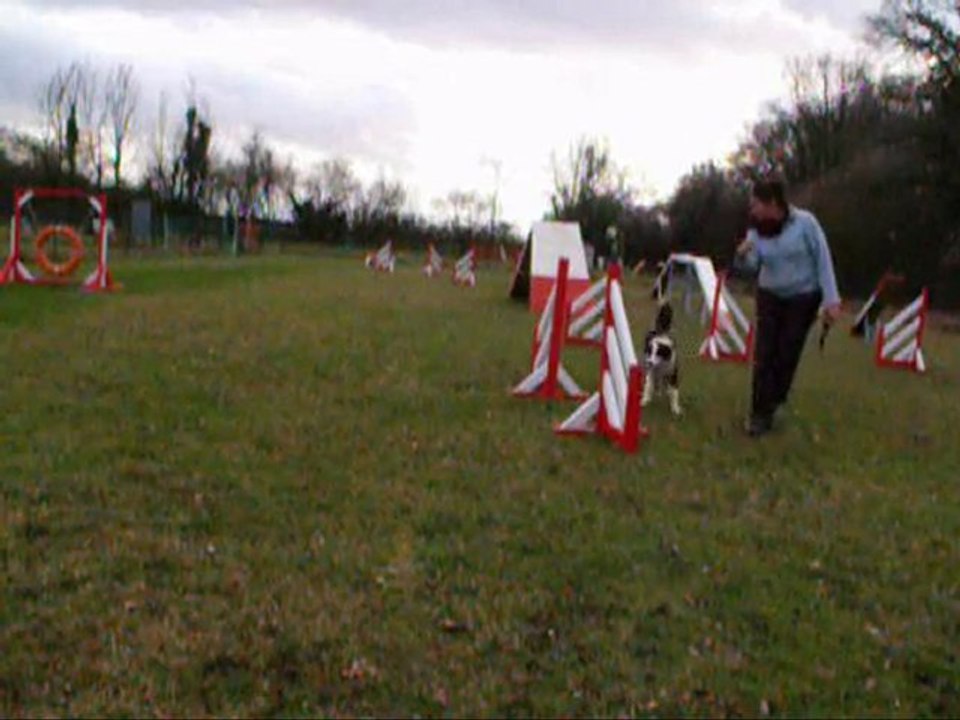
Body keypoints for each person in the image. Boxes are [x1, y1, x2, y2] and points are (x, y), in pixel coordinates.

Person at [735, 177, 842, 437]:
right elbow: (750, 267)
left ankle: (775, 399)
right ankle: (759, 414)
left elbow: (823, 259)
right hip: (770, 294)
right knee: (764, 353)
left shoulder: (806, 224)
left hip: (803, 297)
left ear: (773, 203)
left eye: (756, 205)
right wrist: (743, 256)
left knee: (787, 353)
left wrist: (831, 299)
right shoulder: (756, 231)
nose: (753, 211)